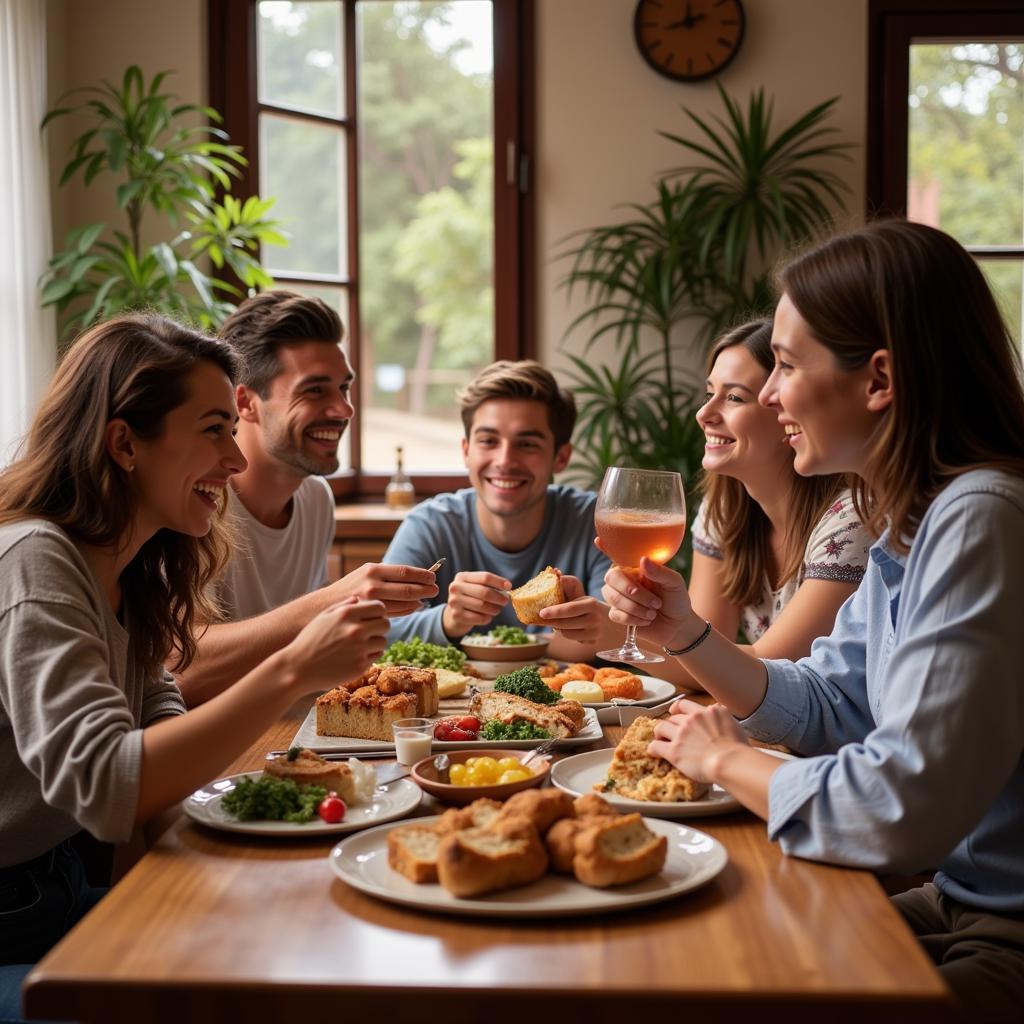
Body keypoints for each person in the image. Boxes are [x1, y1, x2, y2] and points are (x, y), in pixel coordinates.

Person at [602, 219, 1024, 1020]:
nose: (765, 395)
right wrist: (684, 633)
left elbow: (901, 805)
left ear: (879, 380)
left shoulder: (982, 519)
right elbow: (830, 702)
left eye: (786, 366)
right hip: (959, 900)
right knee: (699, 960)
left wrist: (726, 761)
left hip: (1006, 933)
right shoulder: (916, 520)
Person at [0, 314, 389, 1020]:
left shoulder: (137, 565)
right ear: (124, 442)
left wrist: (234, 860)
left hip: (61, 880)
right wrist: (292, 670)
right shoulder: (35, 558)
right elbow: (107, 784)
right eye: (214, 429)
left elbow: (161, 735)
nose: (235, 460)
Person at [172, 291, 437, 706]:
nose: (344, 409)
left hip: (290, 731)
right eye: (314, 391)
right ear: (245, 403)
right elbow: (181, 670)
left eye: (344, 388)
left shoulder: (316, 499)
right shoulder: (196, 502)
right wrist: (331, 601)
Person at [382, 360, 622, 663]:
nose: (505, 460)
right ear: (466, 450)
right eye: (488, 441)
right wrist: (449, 621)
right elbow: (380, 631)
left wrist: (505, 644)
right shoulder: (429, 524)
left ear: (560, 457)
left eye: (527, 443)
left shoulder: (597, 522)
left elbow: (625, 635)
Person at [690, 318, 870, 658]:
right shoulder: (724, 507)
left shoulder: (853, 519)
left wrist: (622, 634)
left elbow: (769, 671)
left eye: (734, 398)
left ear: (786, 409)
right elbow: (704, 657)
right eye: (710, 393)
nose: (704, 414)